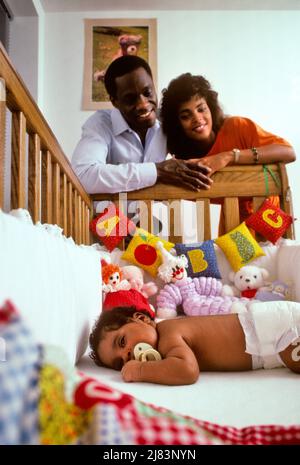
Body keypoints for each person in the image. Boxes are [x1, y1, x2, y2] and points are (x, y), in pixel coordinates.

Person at [159, 73, 296, 231]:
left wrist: (229, 156)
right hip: (233, 233)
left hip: (270, 223)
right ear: (177, 124)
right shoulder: (186, 161)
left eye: (201, 109)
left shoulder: (236, 127)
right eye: (185, 116)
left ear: (210, 107)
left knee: (279, 255)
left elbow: (288, 152)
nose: (197, 118)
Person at [72, 56, 212, 198]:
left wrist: (233, 155)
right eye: (130, 99)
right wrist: (157, 171)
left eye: (147, 93)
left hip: (151, 217)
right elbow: (83, 174)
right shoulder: (100, 124)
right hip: (110, 218)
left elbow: (205, 143)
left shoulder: (167, 119)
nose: (143, 105)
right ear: (115, 102)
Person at [89, 303, 300, 386]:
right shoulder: (163, 344)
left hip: (273, 328)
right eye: (119, 363)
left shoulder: (168, 333)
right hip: (272, 348)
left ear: (142, 319)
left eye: (122, 341)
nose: (126, 354)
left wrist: (141, 370)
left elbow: (187, 370)